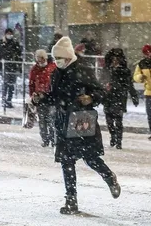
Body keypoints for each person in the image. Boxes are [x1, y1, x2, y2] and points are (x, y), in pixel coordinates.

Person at [33, 36, 120, 214]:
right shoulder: (56, 72)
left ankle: (110, 178)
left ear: (68, 57)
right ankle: (71, 201)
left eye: (60, 59)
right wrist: (41, 98)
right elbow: (55, 96)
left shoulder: (82, 69)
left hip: (82, 120)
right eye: (55, 59)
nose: (57, 62)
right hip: (64, 122)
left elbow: (101, 91)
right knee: (67, 162)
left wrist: (91, 98)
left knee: (91, 158)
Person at [102, 48, 139, 149]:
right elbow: (101, 81)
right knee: (109, 120)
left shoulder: (124, 71)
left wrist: (134, 96)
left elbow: (128, 85)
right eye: (113, 59)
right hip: (108, 97)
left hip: (119, 97)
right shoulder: (106, 69)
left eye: (117, 59)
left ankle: (119, 140)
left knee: (118, 120)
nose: (115, 61)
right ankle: (113, 136)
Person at [29, 49, 57, 147]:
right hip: (40, 98)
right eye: (37, 59)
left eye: (40, 58)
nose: (39, 61)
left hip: (51, 98)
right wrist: (32, 95)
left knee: (51, 119)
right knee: (42, 120)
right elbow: (31, 84)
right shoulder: (35, 69)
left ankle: (53, 139)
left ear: (44, 58)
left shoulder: (53, 67)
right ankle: (45, 139)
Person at [0, 28, 22, 108]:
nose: (9, 35)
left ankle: (9, 100)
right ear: (5, 34)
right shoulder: (1, 43)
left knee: (11, 84)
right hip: (5, 66)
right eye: (8, 33)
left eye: (10, 33)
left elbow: (19, 55)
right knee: (5, 84)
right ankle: (4, 100)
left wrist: (19, 67)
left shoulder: (15, 43)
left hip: (12, 66)